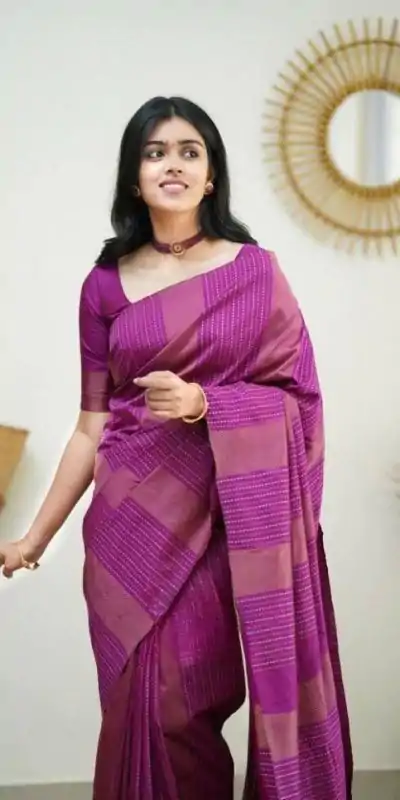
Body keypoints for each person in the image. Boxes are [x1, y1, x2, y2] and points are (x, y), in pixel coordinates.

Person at [0, 96, 353, 799]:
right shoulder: (103, 285)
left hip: (219, 524)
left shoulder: (256, 274)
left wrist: (207, 404)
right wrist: (33, 539)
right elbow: (91, 424)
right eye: (155, 152)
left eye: (190, 151)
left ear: (211, 175)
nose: (173, 164)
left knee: (185, 705)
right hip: (126, 527)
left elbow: (301, 401)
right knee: (138, 709)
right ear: (134, 178)